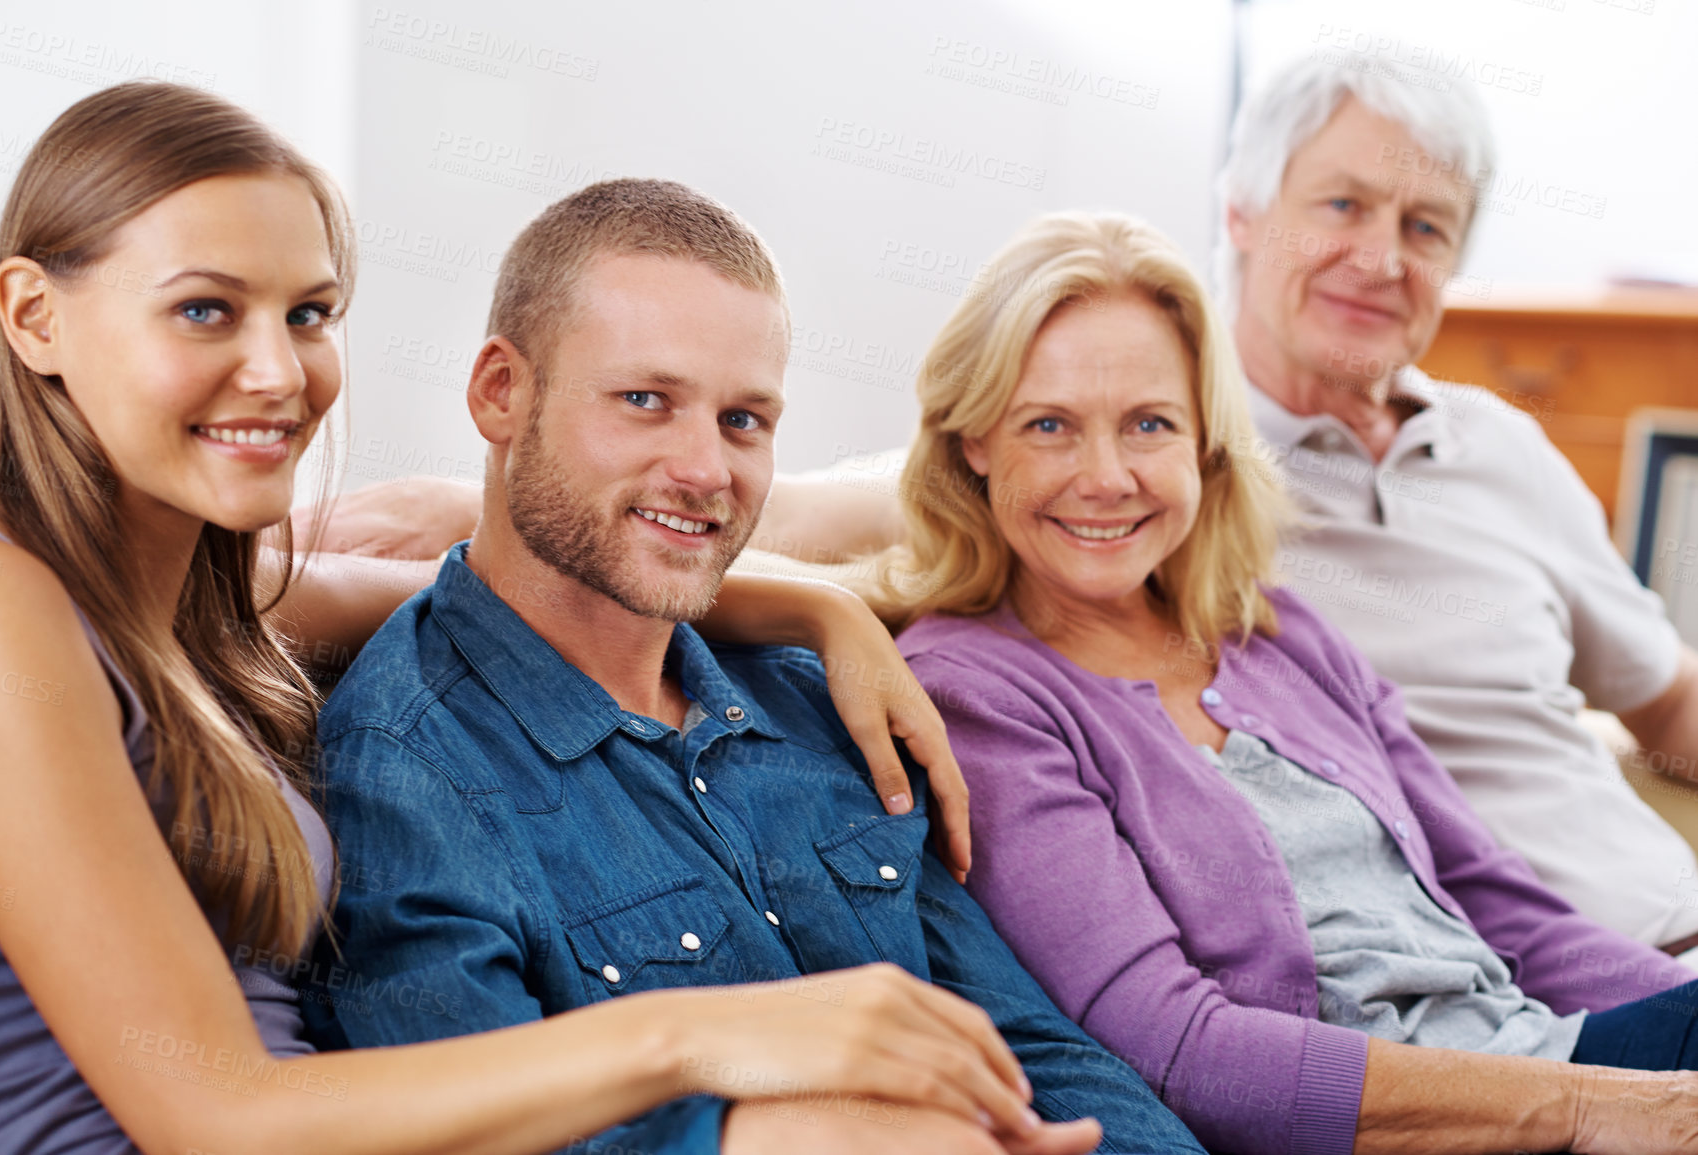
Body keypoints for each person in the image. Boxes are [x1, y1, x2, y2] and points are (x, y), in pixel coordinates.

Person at [0, 82, 1018, 1155]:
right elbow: (218, 1113)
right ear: (34, 316)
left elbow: (535, 584)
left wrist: (822, 608)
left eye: (309, 314)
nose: (280, 371)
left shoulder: (230, 610)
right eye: (205, 309)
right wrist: (706, 1033)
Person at [309, 177, 1207, 1155]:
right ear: (500, 393)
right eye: (645, 401)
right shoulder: (404, 769)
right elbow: (477, 1134)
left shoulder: (817, 696)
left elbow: (1031, 1052)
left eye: (745, 420)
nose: (707, 470)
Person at [741, 53, 1698, 952]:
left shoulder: (1502, 445)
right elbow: (743, 523)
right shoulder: (1137, 467)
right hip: (1481, 971)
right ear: (1241, 212)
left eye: (1424, 226)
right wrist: (823, 612)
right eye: (1342, 204)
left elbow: (1667, 702)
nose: (1380, 258)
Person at [872, 208, 1698, 1155]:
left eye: (1149, 423)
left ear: (1204, 441)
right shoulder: (976, 693)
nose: (1104, 477)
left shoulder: (1275, 628)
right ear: (973, 440)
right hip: (1408, 1124)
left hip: (1545, 1055)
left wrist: (1673, 1039)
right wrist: (1597, 1107)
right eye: (1048, 425)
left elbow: (1497, 898)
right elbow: (1175, 1047)